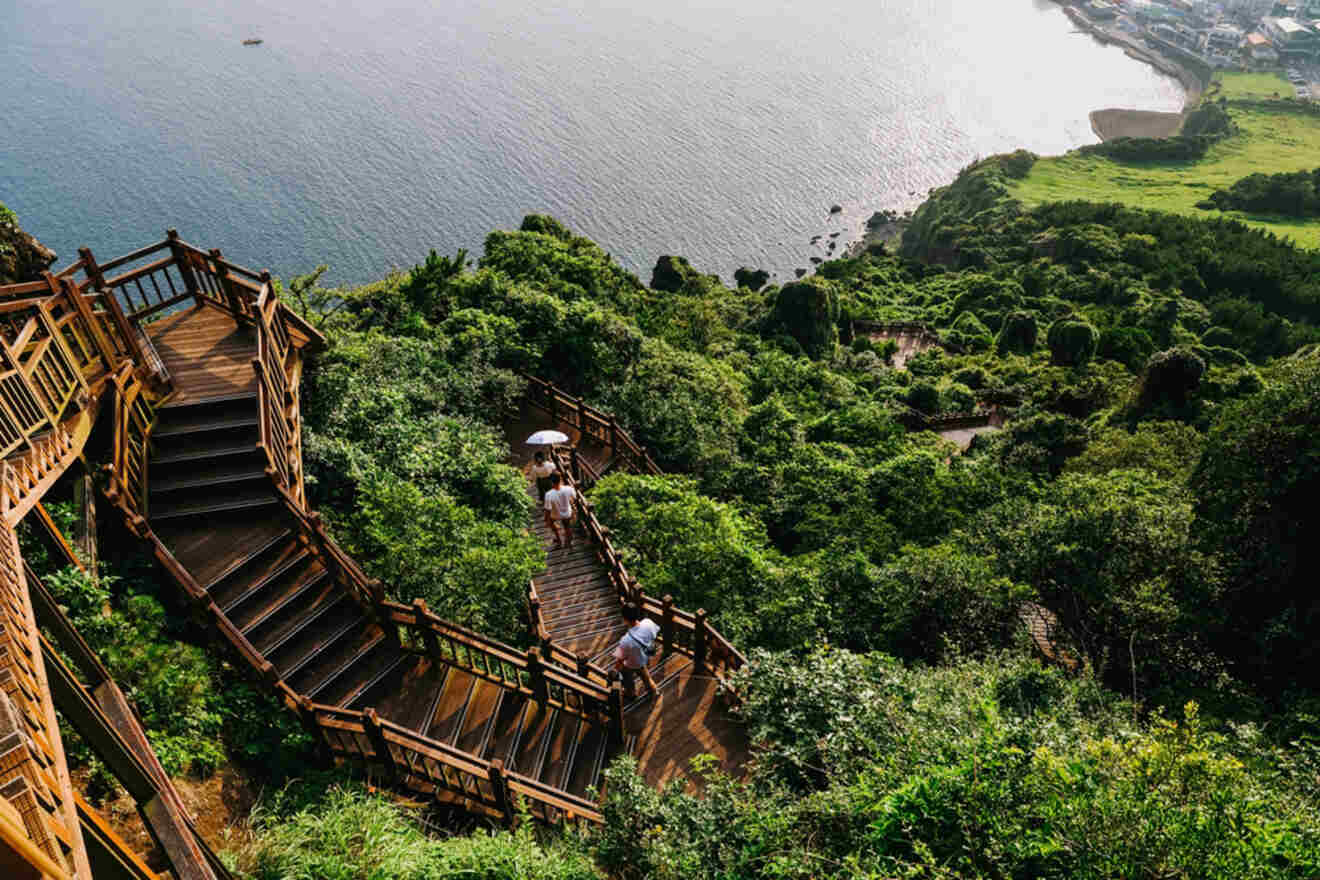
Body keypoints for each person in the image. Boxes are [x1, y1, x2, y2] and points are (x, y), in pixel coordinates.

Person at [613, 605, 660, 700]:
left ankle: (631, 693)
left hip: (631, 664)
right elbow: (655, 635)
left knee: (628, 679)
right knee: (645, 675)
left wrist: (614, 671)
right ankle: (653, 691)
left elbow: (620, 661)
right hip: (644, 659)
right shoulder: (648, 623)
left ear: (625, 619)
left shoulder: (626, 640)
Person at [542, 472, 578, 549]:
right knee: (567, 526)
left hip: (556, 515)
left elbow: (548, 510)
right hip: (567, 514)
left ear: (551, 482)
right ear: (560, 479)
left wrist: (546, 520)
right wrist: (573, 509)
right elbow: (575, 498)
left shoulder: (549, 494)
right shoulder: (569, 489)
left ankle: (559, 539)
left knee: (551, 522)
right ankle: (569, 541)